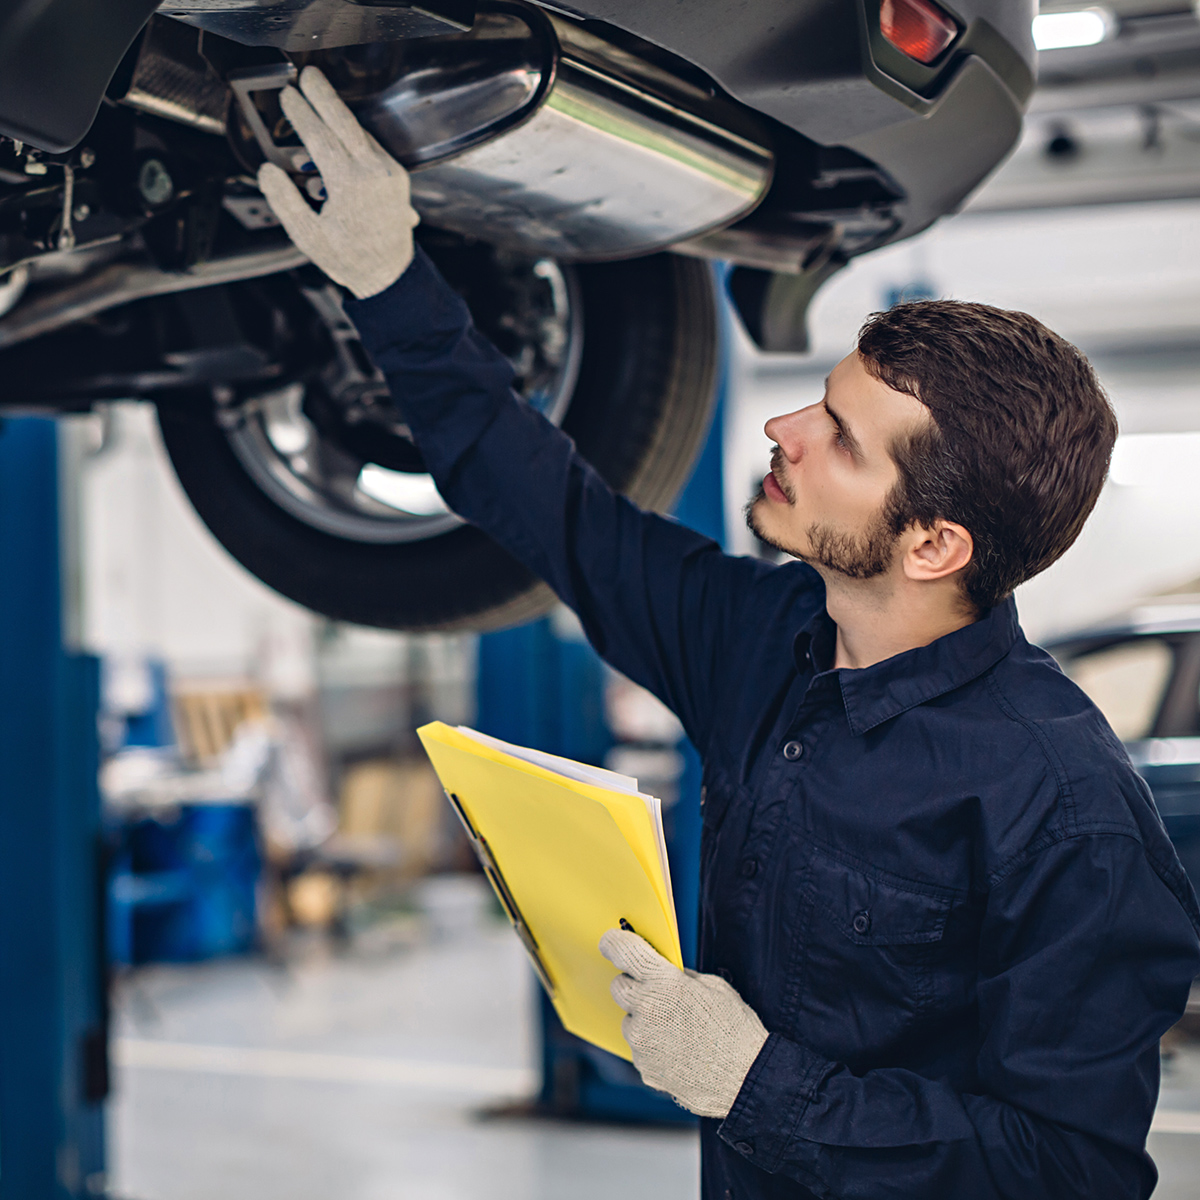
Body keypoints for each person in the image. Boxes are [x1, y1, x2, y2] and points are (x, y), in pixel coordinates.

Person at [260, 68, 1200, 1199]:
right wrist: (389, 280)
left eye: (841, 441)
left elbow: (1070, 1170)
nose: (783, 427)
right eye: (820, 397)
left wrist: (758, 1085)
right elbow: (553, 508)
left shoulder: (1068, 813)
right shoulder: (764, 639)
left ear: (933, 546)